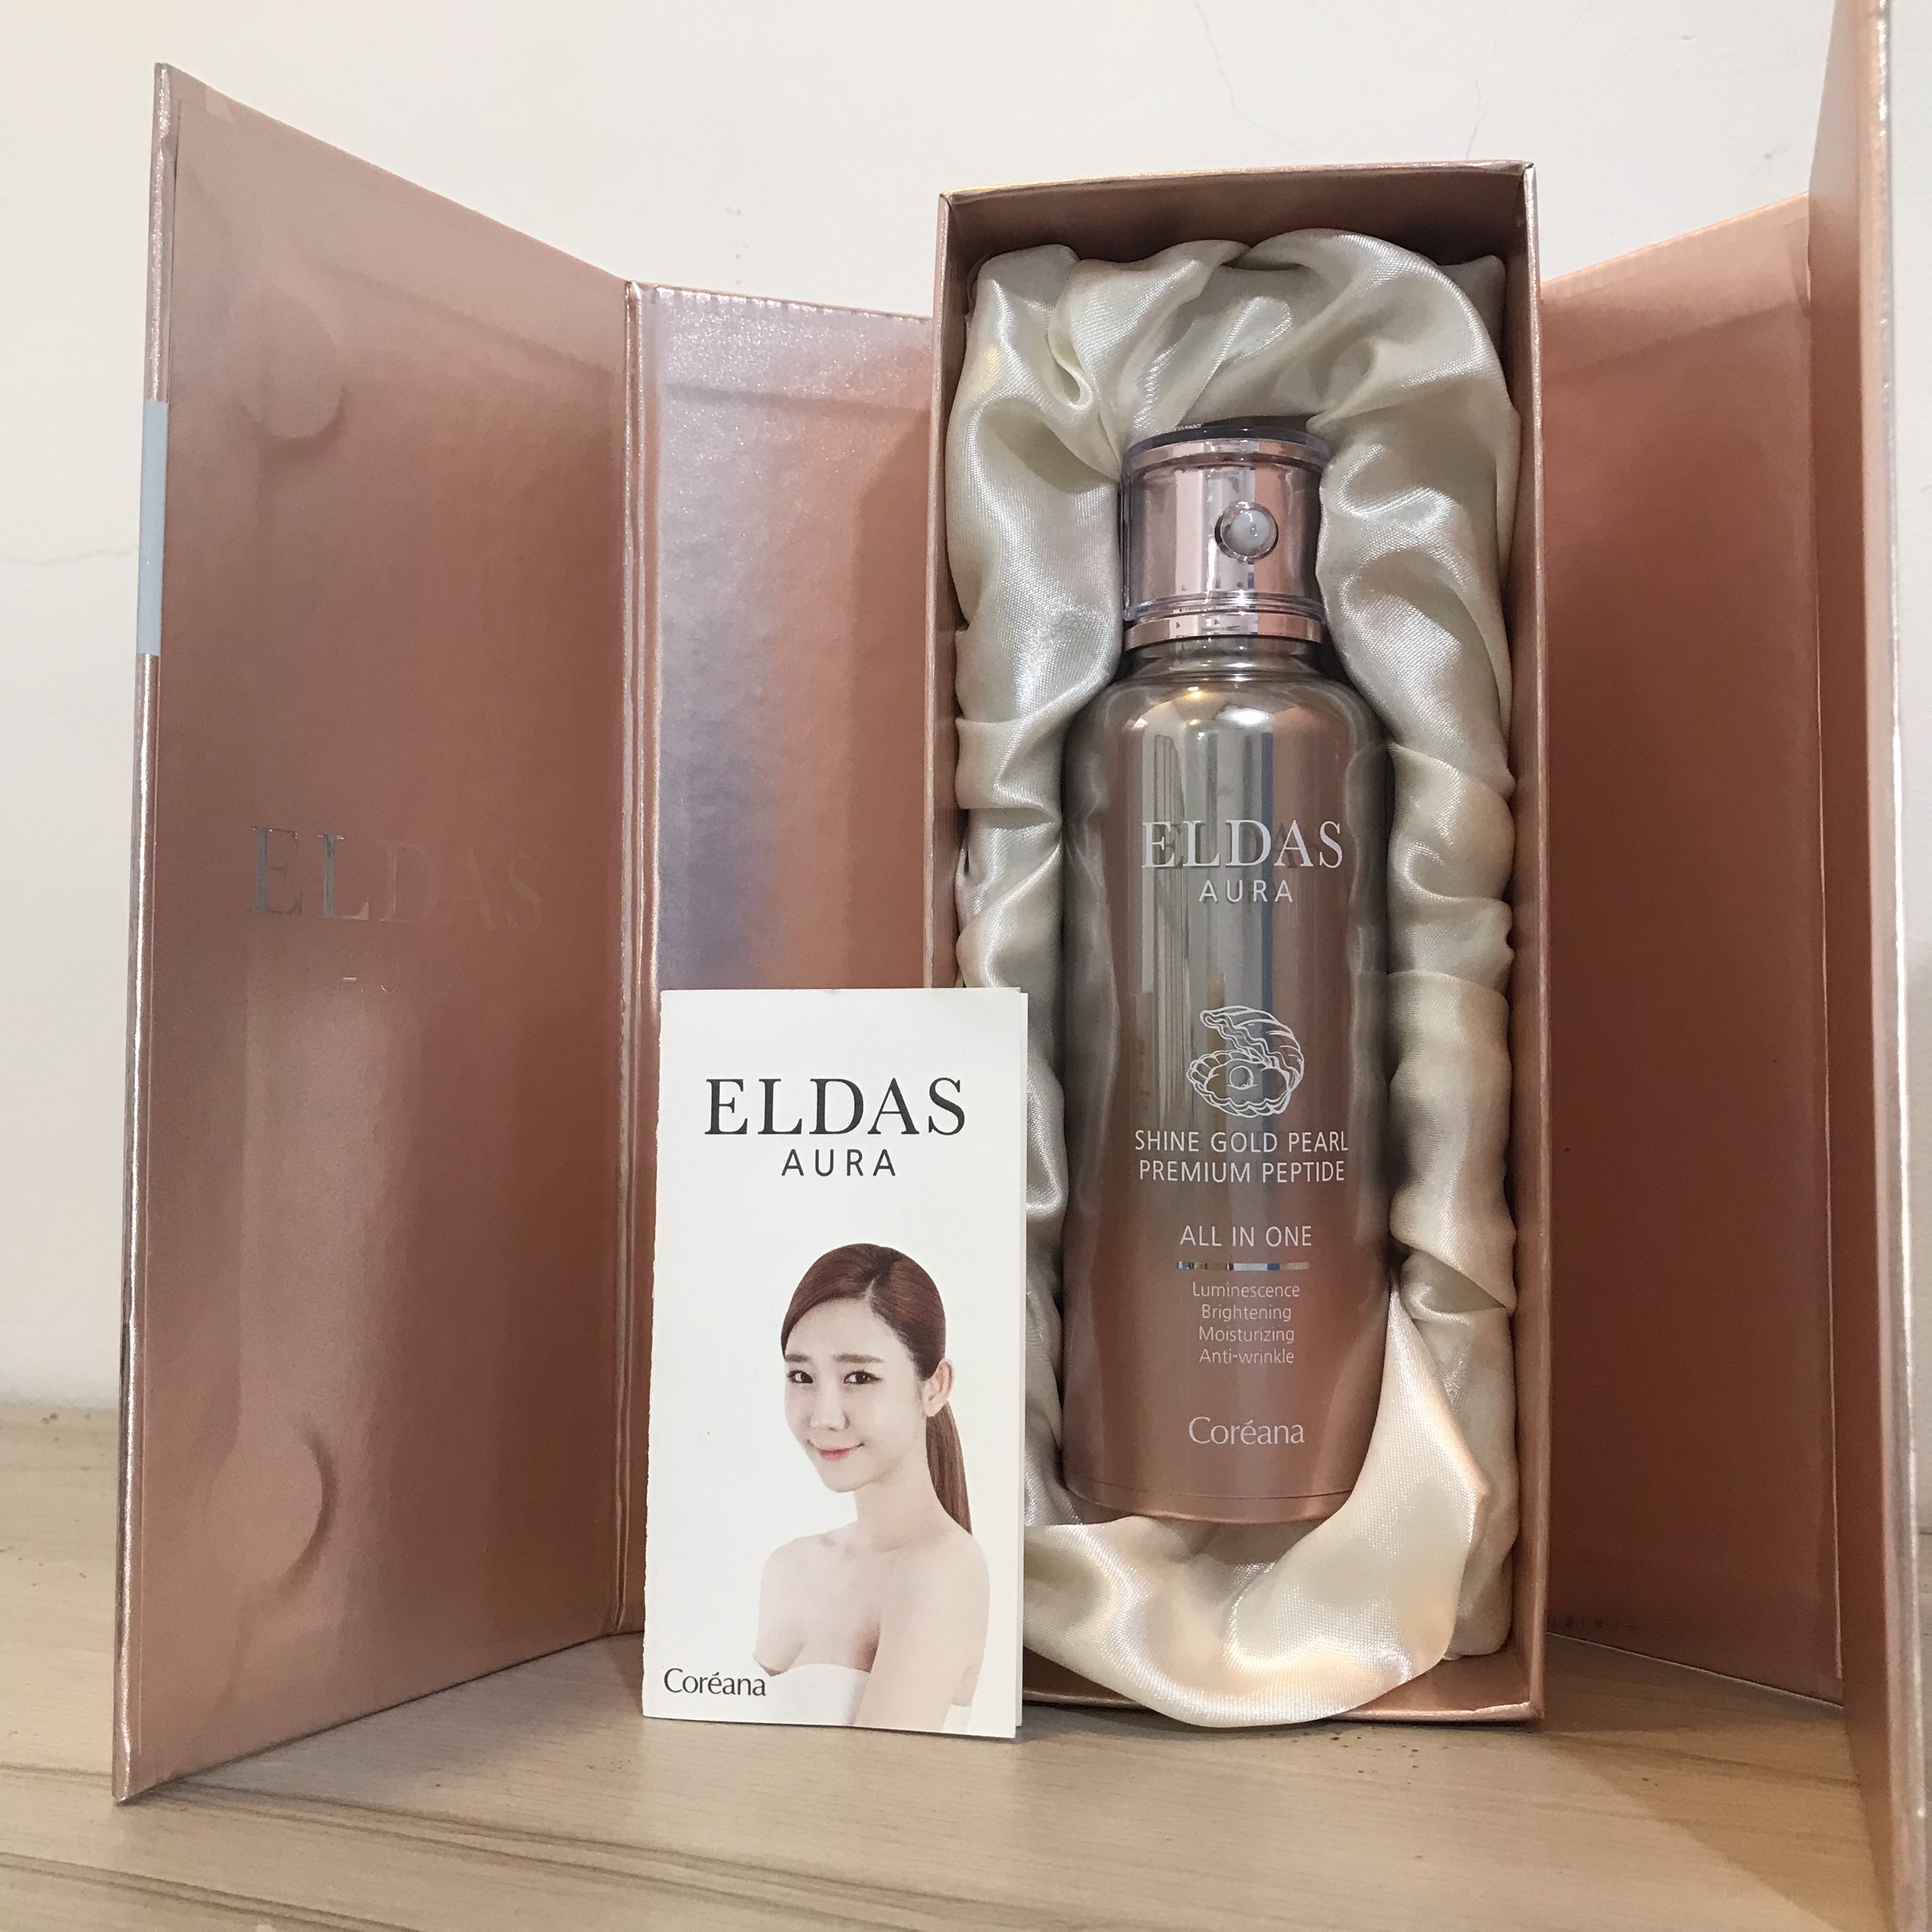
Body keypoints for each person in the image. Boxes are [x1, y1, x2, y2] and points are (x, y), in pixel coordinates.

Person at [755, 1244, 989, 1732]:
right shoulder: (790, 1566)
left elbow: (881, 1770)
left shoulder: (941, 1569)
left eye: (859, 1377)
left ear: (935, 1386)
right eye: (802, 1376)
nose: (824, 1416)